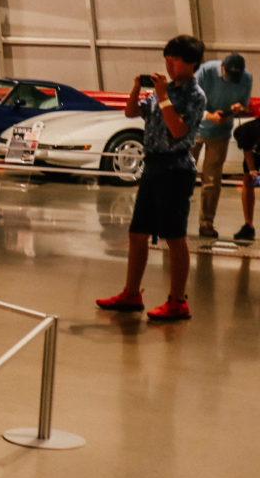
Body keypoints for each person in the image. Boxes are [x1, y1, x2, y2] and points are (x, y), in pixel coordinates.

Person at [97, 35, 207, 322]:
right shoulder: (164, 90)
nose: (169, 65)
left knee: (174, 236)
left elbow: (179, 131)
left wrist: (163, 97)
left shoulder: (195, 96)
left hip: (176, 169)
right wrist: (136, 89)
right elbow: (132, 112)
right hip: (153, 167)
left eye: (175, 59)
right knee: (137, 232)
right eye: (167, 59)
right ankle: (132, 293)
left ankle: (178, 300)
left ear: (191, 63)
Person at [191, 53, 253, 238]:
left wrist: (239, 108)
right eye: (229, 75)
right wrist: (209, 115)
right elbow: (190, 102)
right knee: (182, 175)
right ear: (222, 68)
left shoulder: (246, 78)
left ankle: (206, 224)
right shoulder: (205, 71)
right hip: (193, 130)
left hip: (220, 133)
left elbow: (246, 106)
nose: (232, 80)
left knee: (212, 181)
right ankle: (171, 219)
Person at [232, 117, 260, 241]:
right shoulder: (247, 132)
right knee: (248, 180)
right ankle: (248, 225)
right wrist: (252, 170)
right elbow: (247, 153)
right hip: (255, 149)